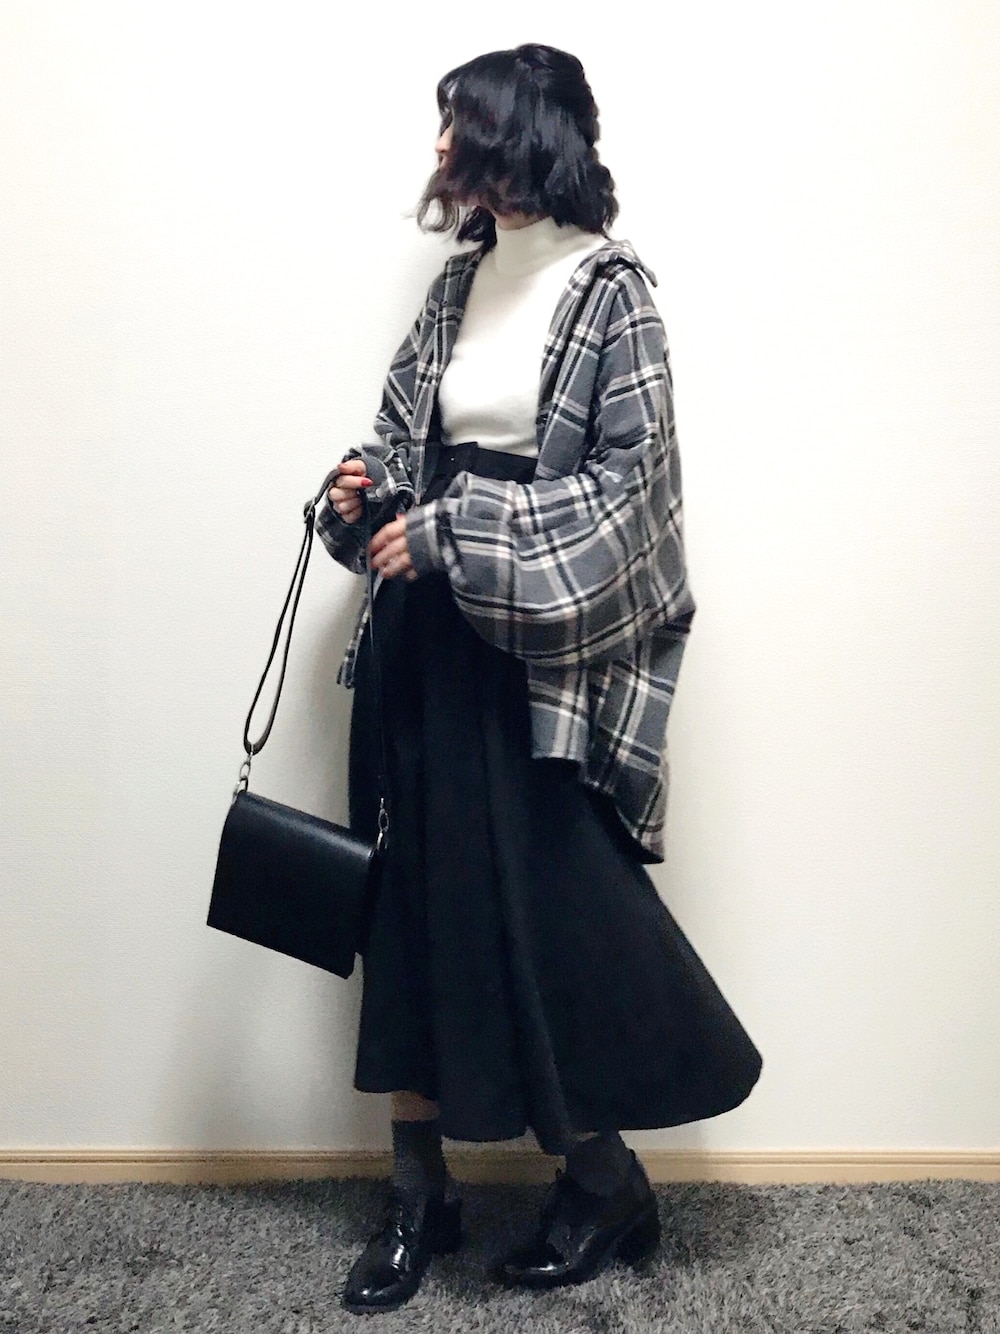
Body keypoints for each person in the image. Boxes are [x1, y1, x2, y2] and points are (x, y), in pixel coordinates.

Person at [316, 43, 763, 1315]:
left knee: (549, 915)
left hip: (536, 663)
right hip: (420, 643)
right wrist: (361, 496)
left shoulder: (613, 295)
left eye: (457, 124)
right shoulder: (456, 287)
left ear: (521, 134)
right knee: (404, 911)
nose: (440, 148)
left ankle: (603, 1179)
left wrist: (456, 531)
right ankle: (418, 1195)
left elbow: (633, 500)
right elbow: (402, 443)